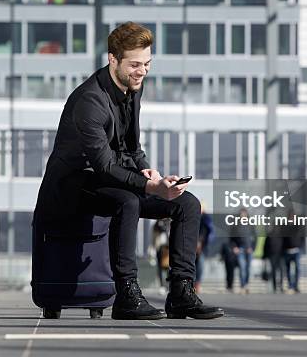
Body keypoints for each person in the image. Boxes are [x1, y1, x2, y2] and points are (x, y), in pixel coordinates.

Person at [34, 22, 223, 320]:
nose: (143, 71)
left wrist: (153, 175)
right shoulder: (90, 101)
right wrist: (150, 189)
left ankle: (181, 293)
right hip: (73, 185)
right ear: (113, 59)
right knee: (128, 200)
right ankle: (126, 296)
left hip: (110, 179)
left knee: (186, 204)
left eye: (147, 64)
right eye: (135, 64)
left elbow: (132, 148)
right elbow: (104, 165)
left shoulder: (133, 85)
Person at [229, 208, 257, 294]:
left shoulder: (250, 225)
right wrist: (234, 247)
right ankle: (242, 286)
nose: (242, 216)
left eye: (244, 214)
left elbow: (255, 238)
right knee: (242, 268)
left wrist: (252, 248)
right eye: (241, 214)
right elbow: (231, 239)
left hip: (249, 250)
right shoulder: (235, 225)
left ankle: (246, 285)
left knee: (248, 268)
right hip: (240, 249)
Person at [194, 202, 215, 293]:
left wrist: (201, 243)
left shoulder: (206, 219)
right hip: (193, 245)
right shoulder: (194, 216)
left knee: (200, 265)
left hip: (202, 246)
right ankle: (193, 283)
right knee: (193, 265)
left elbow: (208, 232)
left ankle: (197, 283)